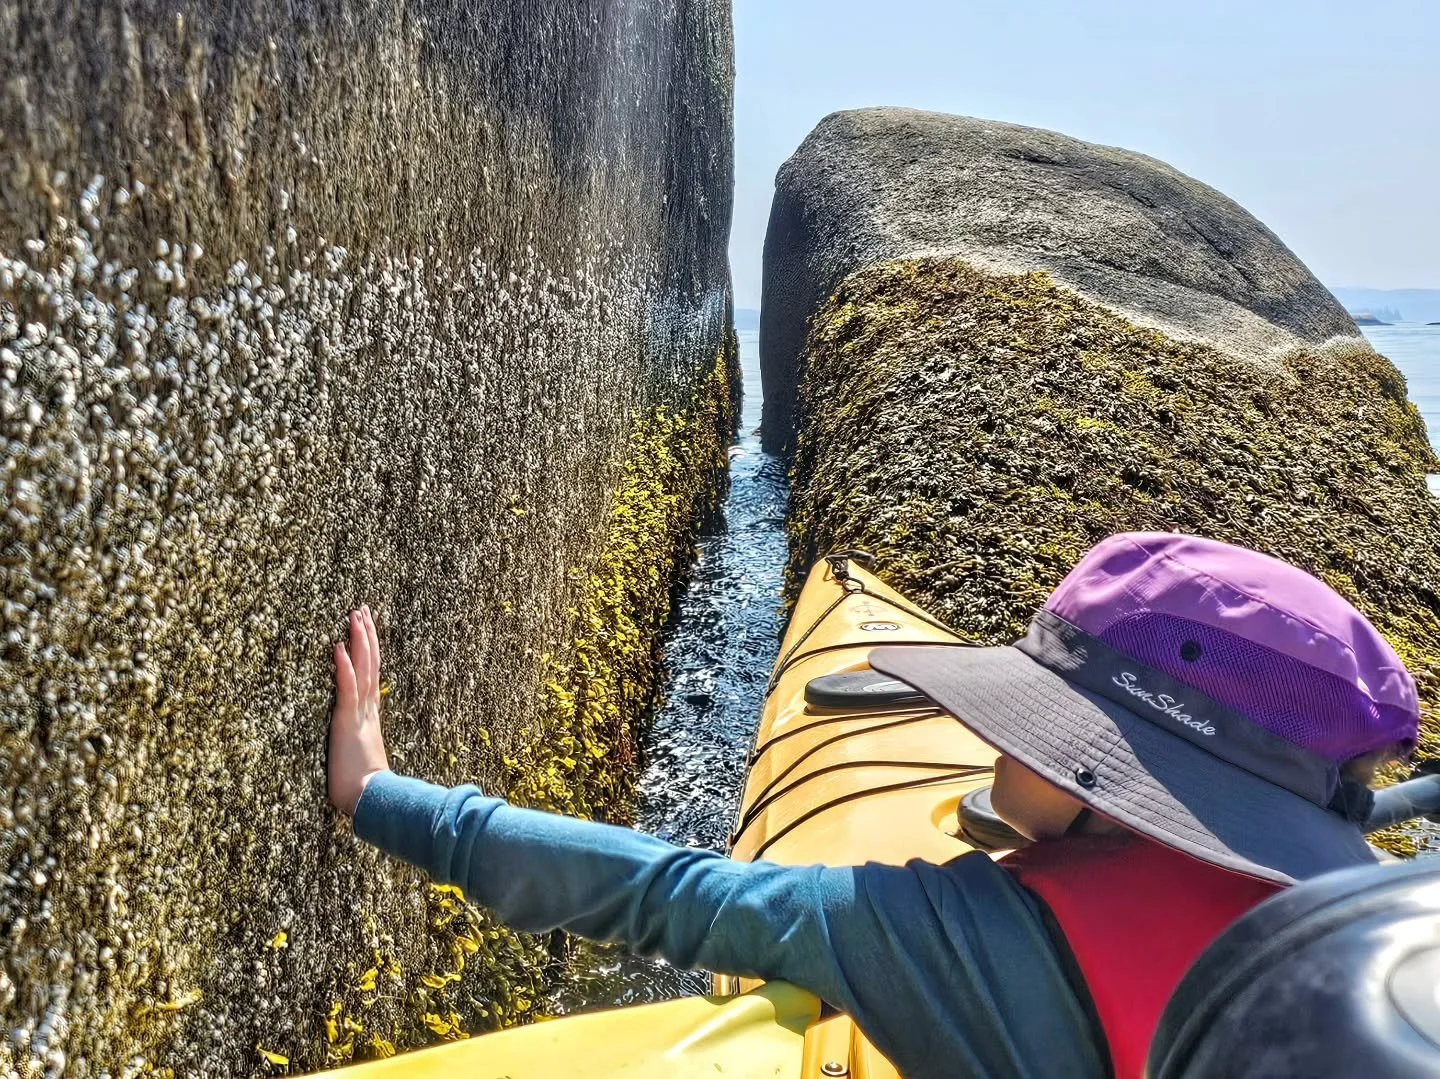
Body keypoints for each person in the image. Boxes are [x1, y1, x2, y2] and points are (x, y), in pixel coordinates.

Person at [329, 533, 1418, 1079]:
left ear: (1114, 785)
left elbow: (668, 890)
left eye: (1043, 718)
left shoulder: (958, 940)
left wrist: (380, 793)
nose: (1000, 732)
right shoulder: (1377, 930)